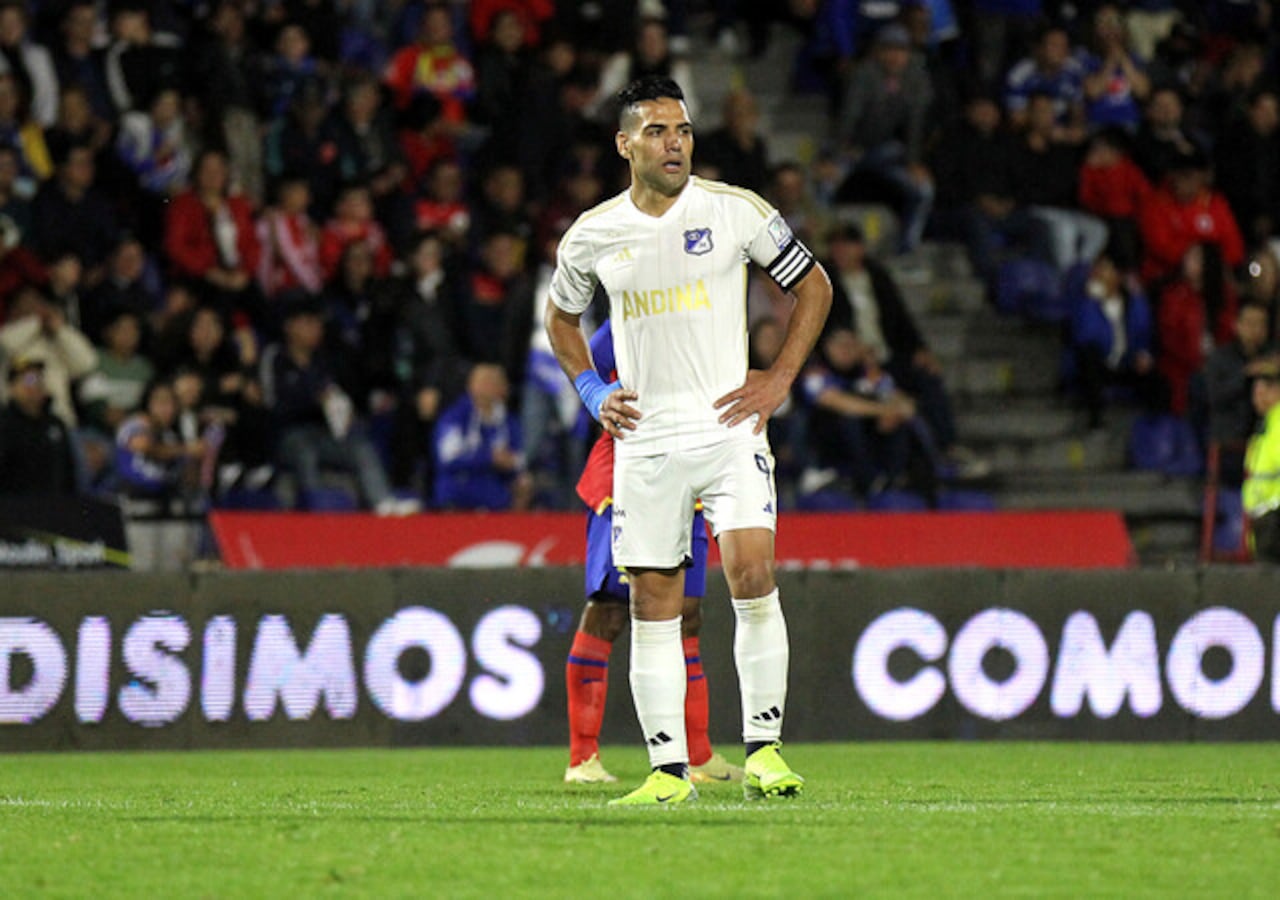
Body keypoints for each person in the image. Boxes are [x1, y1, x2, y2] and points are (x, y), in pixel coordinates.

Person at [545, 76, 832, 805]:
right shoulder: (594, 233)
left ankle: (765, 753)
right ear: (624, 143)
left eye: (682, 130)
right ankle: (668, 774)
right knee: (652, 606)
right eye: (656, 131)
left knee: (751, 577)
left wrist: (779, 379)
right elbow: (561, 322)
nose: (673, 143)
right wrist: (590, 391)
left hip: (730, 427)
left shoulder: (735, 211)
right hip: (645, 441)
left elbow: (816, 286)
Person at [565, 320, 742, 786]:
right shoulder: (627, 319)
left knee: (688, 615)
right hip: (627, 475)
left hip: (690, 476)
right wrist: (601, 396)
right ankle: (582, 759)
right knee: (609, 611)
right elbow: (582, 364)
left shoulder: (710, 310)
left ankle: (698, 756)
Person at [0, 356, 77, 495]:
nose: (35, 386)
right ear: (12, 387)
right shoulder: (4, 424)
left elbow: (68, 472)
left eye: (38, 379)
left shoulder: (55, 424)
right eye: (28, 380)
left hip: (53, 507)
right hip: (11, 508)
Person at [1243, 362, 1280, 562]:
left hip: (1275, 523)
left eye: (1262, 389)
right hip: (1265, 524)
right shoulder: (1265, 427)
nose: (1256, 396)